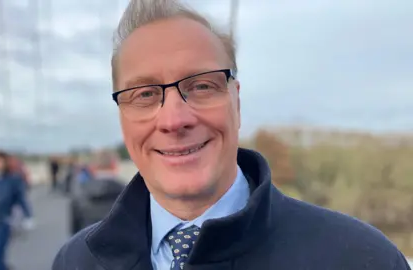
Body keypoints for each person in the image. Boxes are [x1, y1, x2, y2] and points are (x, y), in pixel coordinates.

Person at [52, 0, 412, 269]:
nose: (174, 119)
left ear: (236, 101)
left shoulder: (357, 259)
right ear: (122, 117)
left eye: (202, 86)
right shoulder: (76, 261)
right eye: (144, 94)